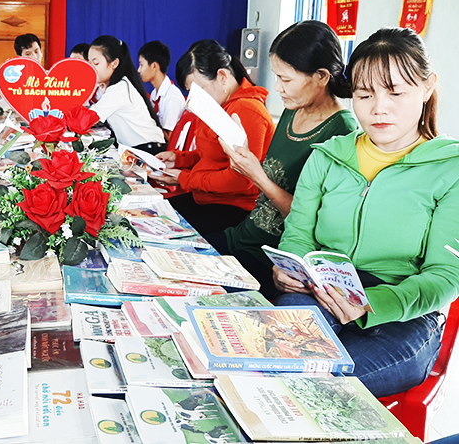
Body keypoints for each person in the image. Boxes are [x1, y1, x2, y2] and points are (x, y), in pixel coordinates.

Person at [273, 27, 459, 398]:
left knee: (317, 387)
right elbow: (297, 234)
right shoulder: (327, 156)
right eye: (364, 94)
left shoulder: (450, 168)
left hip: (403, 314)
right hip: (320, 290)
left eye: (395, 92)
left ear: (427, 87)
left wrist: (373, 304)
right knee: (274, 362)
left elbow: (446, 275)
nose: (378, 108)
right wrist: (288, 268)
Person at [208, 21, 357, 298]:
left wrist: (257, 176)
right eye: (276, 77)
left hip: (275, 261)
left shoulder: (342, 132)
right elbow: (273, 176)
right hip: (243, 236)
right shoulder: (293, 109)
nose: (277, 87)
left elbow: (314, 224)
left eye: (285, 79)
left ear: (321, 76)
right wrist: (241, 156)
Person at [152, 39, 274, 235]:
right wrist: (180, 159)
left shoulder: (246, 110)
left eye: (200, 91)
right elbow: (209, 156)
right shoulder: (218, 105)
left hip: (232, 208)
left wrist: (186, 178)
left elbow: (241, 180)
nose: (195, 100)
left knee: (162, 231)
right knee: (151, 216)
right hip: (207, 198)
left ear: (222, 76)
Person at [88, 35, 165, 154]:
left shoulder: (119, 89)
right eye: (88, 63)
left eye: (96, 63)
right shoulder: (116, 85)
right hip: (140, 149)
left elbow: (88, 118)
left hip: (149, 151)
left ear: (114, 63)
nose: (90, 69)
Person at [137, 40, 185, 140]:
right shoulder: (155, 93)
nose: (139, 70)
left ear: (154, 66)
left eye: (141, 65)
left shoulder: (172, 97)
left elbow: (169, 138)